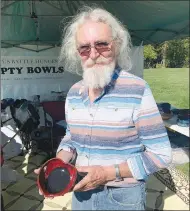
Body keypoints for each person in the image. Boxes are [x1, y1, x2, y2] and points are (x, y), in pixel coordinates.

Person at [35, 6, 172, 210]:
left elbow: (161, 154)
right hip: (80, 191)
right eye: (84, 48)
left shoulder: (137, 89)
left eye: (101, 45)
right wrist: (58, 163)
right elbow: (72, 137)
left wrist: (106, 174)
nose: (93, 54)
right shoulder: (73, 93)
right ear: (77, 53)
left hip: (122, 197)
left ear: (116, 45)